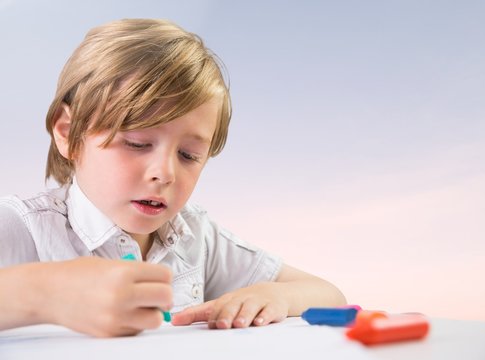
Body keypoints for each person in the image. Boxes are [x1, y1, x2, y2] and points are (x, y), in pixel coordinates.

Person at [0, 18, 346, 337]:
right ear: (67, 132)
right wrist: (43, 294)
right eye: (137, 143)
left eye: (189, 156)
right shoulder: (20, 227)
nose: (164, 173)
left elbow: (328, 294)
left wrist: (274, 295)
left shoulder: (195, 238)